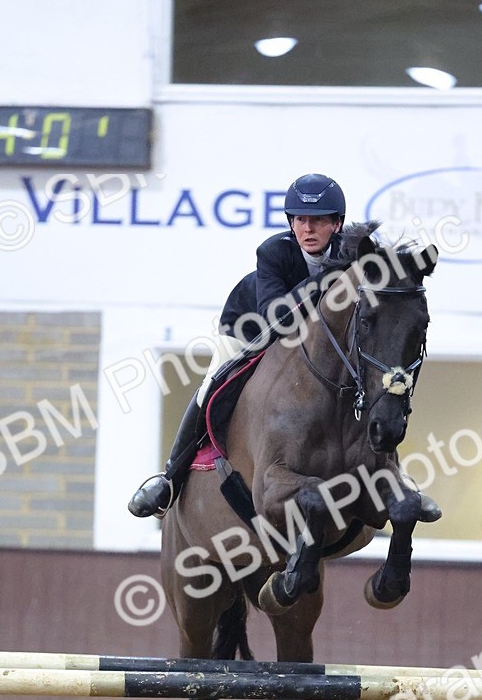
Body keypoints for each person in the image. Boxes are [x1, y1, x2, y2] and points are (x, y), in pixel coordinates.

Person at [127, 174, 440, 522]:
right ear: (291, 223)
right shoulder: (274, 251)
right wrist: (325, 279)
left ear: (337, 224)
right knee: (211, 386)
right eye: (300, 220)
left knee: (368, 384)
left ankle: (399, 478)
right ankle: (169, 478)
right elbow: (277, 320)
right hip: (251, 327)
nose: (307, 229)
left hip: (315, 340)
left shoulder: (356, 254)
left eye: (318, 220)